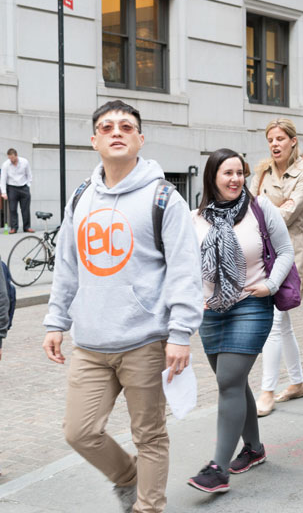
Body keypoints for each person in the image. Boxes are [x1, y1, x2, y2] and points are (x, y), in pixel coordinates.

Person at [42, 100, 203, 513]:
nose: (117, 132)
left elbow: (185, 270)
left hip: (145, 342)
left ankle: (148, 505)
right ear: (94, 139)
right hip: (91, 344)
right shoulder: (81, 197)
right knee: (79, 432)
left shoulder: (165, 197)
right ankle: (129, 476)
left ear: (140, 139)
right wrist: (55, 321)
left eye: (126, 127)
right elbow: (67, 265)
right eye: (107, 126)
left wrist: (181, 333)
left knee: (149, 435)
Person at [187, 150, 294, 493]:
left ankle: (218, 468)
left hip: (251, 304)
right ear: (212, 177)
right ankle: (254, 449)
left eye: (239, 173)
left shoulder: (261, 208)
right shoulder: (195, 218)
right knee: (234, 381)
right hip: (211, 311)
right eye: (227, 173)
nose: (235, 179)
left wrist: (271, 284)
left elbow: (286, 250)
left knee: (228, 382)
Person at [251, 119, 303, 416]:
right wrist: (269, 208)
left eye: (280, 138)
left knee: (275, 323)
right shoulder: (262, 171)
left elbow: (287, 216)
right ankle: (298, 382)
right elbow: (248, 207)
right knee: (282, 323)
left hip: (288, 256)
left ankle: (266, 391)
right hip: (261, 254)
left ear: (292, 141)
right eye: (270, 139)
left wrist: (265, 209)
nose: (275, 144)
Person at [0, 148, 34, 234]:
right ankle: (14, 228)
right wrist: (3, 192)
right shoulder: (6, 165)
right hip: (12, 188)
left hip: (23, 187)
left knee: (25, 209)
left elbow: (29, 174)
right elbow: (3, 179)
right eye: (9, 158)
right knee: (12, 209)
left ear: (16, 155)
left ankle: (27, 227)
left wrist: (28, 185)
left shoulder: (24, 162)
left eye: (12, 158)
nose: (11, 160)